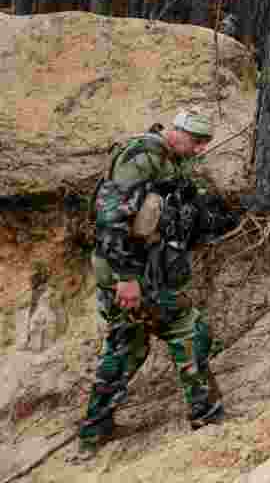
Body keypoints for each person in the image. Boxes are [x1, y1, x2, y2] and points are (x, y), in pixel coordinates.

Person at [71, 108, 226, 462]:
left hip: (139, 275)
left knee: (127, 347)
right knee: (188, 330)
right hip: (131, 277)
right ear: (178, 132)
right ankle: (208, 417)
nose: (201, 149)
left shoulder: (169, 160)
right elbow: (110, 218)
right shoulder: (142, 157)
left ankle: (94, 431)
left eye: (205, 144)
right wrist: (126, 279)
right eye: (197, 141)